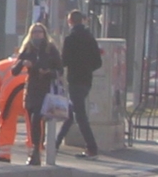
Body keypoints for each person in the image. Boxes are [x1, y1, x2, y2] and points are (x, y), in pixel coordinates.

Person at [13, 23, 64, 166]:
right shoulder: (27, 49)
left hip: (45, 89)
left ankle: (36, 150)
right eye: (34, 32)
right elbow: (14, 71)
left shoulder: (50, 49)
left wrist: (48, 72)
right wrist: (22, 62)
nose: (37, 35)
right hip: (32, 88)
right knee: (31, 119)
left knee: (37, 118)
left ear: (44, 34)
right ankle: (35, 147)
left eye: (40, 32)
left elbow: (60, 70)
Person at [62, 10, 103, 158]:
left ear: (70, 21)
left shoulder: (70, 39)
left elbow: (64, 61)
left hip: (74, 79)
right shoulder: (90, 38)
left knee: (79, 115)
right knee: (72, 111)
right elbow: (98, 62)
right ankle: (56, 141)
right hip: (86, 80)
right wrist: (87, 68)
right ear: (82, 21)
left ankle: (92, 148)